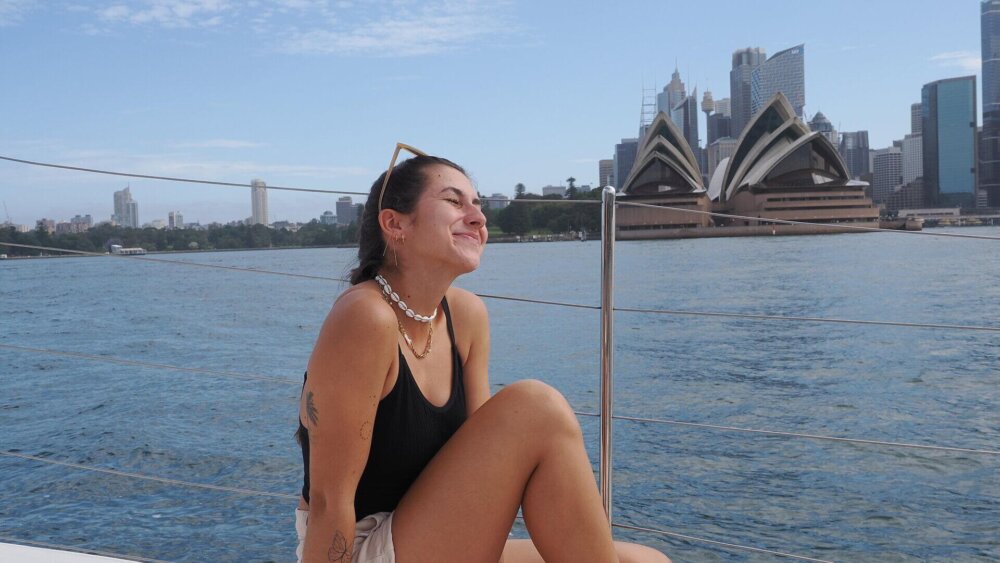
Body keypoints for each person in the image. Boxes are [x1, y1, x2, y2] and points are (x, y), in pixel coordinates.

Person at [296, 144, 670, 563]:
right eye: (453, 202)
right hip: (360, 548)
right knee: (535, 407)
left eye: (477, 204)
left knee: (646, 561)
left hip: (428, 533)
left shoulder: (467, 317)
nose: (478, 216)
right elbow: (330, 502)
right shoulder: (365, 318)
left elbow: (482, 470)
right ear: (395, 223)